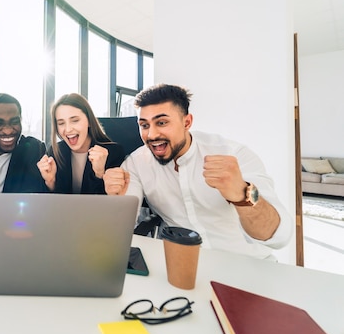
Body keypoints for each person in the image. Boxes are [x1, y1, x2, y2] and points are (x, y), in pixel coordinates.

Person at [104, 84, 292, 260]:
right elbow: (122, 230)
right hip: (181, 267)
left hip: (247, 264)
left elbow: (278, 237)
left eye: (161, 122)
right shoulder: (136, 163)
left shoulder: (233, 154)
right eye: (144, 125)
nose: (151, 135)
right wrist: (117, 200)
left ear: (187, 122)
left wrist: (243, 193)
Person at [37, 93, 125, 194]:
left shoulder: (114, 153)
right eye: (61, 123)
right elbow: (53, 205)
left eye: (75, 121)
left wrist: (99, 173)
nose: (68, 129)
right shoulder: (56, 152)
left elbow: (109, 205)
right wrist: (50, 181)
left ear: (89, 121)